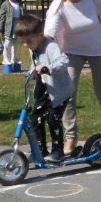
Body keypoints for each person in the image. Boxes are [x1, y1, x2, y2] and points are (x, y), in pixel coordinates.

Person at [44, 0, 101, 155]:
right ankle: (71, 138)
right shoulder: (58, 6)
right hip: (71, 50)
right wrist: (42, 52)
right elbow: (50, 31)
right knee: (68, 93)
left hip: (98, 49)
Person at [16, 14, 74, 162]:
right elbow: (36, 63)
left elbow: (63, 61)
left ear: (41, 35)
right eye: (23, 42)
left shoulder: (51, 47)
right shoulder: (33, 47)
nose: (26, 45)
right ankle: (39, 151)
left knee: (52, 118)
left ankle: (58, 151)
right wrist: (31, 71)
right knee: (36, 118)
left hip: (59, 91)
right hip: (43, 88)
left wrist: (48, 68)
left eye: (29, 41)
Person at [0, 0, 24, 72]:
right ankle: (6, 58)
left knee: (15, 43)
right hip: (8, 26)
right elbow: (2, 17)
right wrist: (0, 27)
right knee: (7, 43)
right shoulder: (5, 4)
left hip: (18, 24)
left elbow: (22, 15)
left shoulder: (20, 3)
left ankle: (14, 58)